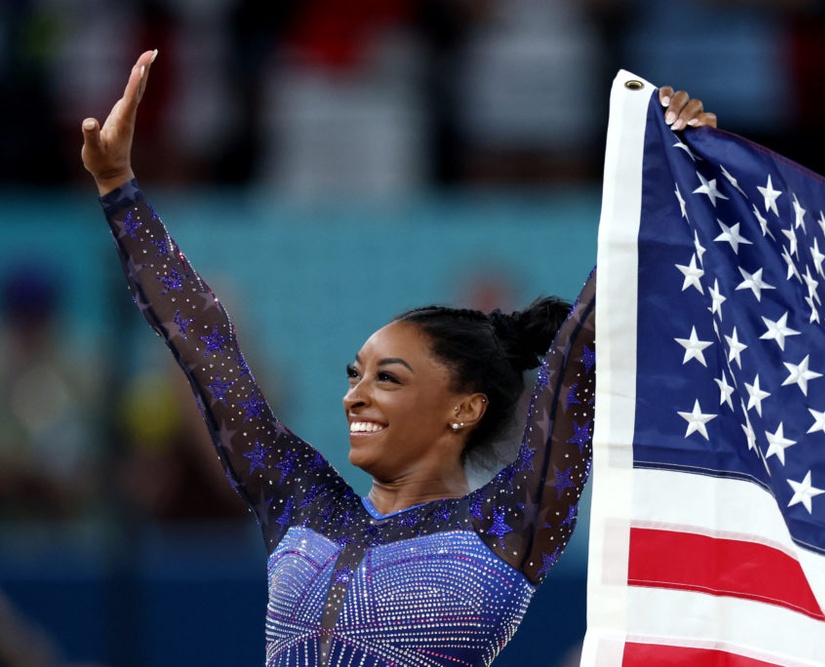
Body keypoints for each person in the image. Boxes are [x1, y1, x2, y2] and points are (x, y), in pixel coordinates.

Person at [80, 50, 715, 666]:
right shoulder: (304, 503)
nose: (357, 394)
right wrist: (119, 190)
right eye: (355, 374)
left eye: (388, 377)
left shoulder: (507, 525)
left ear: (463, 407)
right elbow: (205, 348)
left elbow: (578, 356)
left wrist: (664, 174)